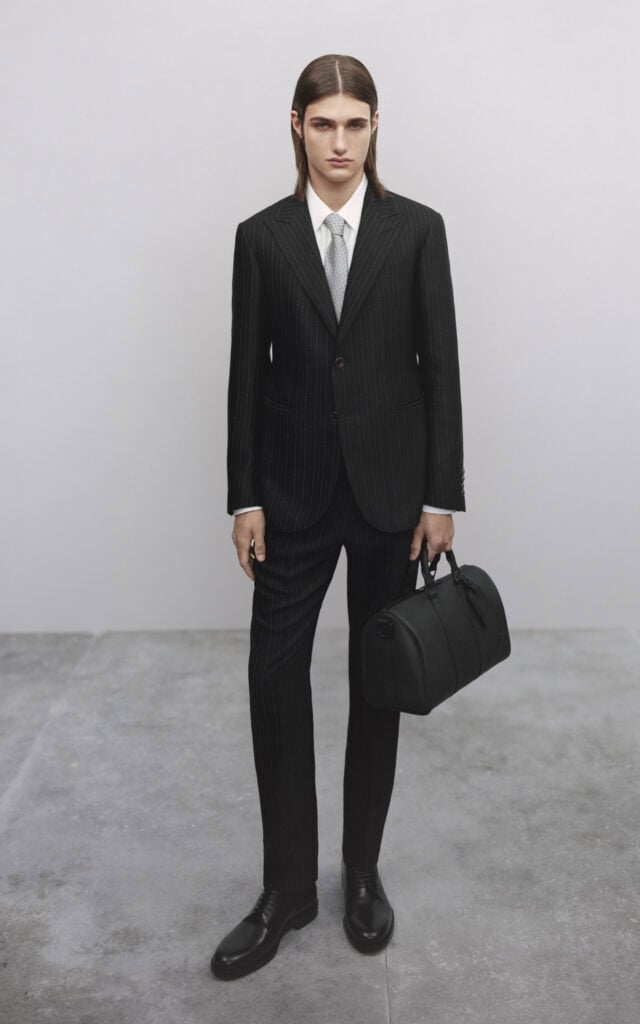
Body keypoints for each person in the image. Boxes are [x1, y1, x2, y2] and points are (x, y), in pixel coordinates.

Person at [211, 53, 465, 981]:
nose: (341, 143)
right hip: (292, 493)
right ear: (297, 127)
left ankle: (361, 872)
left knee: (375, 683)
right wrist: (244, 496)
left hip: (393, 496)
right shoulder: (262, 238)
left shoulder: (417, 230)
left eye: (356, 124)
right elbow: (245, 374)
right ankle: (287, 889)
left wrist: (440, 496)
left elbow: (441, 367)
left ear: (375, 126)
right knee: (274, 679)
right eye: (324, 124)